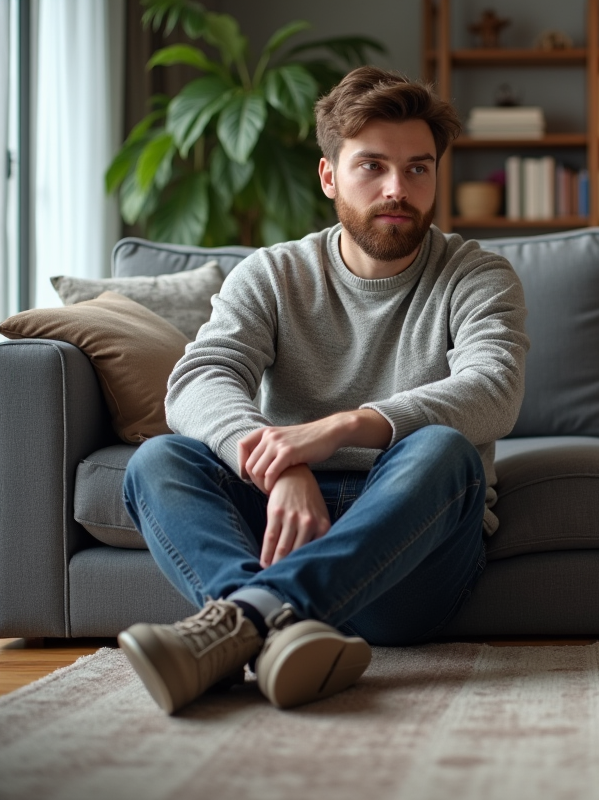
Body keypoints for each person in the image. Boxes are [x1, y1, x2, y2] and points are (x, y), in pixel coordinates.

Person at [117, 66, 529, 714]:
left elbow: (494, 388)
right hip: (281, 526)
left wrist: (339, 428)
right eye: (373, 166)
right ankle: (279, 633)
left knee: (443, 450)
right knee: (158, 460)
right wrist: (279, 463)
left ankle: (241, 620)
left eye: (418, 168)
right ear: (329, 175)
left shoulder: (476, 274)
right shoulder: (273, 273)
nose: (398, 189)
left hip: (410, 553)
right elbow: (201, 377)